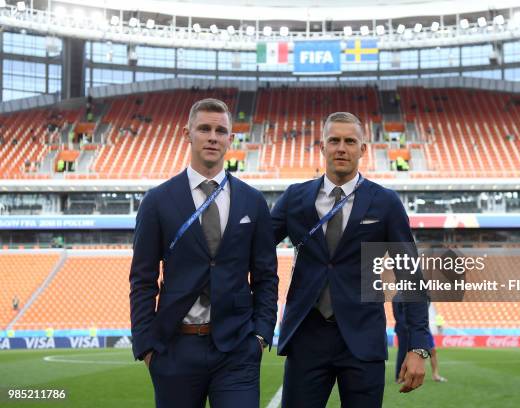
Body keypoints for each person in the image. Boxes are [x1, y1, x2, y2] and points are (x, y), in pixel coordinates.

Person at [271, 112, 430, 408]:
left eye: (349, 141)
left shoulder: (385, 203)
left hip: (362, 338)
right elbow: (255, 249)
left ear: (363, 149)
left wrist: (419, 345)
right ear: (322, 147)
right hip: (307, 336)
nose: (341, 147)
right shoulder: (295, 198)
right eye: (334, 140)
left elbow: (410, 275)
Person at [130, 98, 278, 408]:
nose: (213, 136)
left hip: (237, 349)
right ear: (188, 133)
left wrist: (261, 335)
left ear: (230, 139)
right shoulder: (157, 201)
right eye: (204, 129)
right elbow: (142, 279)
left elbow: (266, 276)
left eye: (220, 130)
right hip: (174, 349)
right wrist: (146, 346)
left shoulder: (253, 202)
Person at [393, 301, 446, 383]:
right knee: (407, 352)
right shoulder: (400, 297)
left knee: (432, 351)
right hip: (411, 329)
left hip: (423, 327)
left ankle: (435, 375)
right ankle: (402, 376)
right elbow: (399, 316)